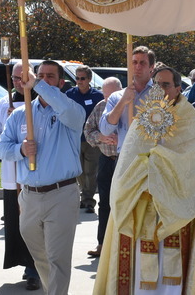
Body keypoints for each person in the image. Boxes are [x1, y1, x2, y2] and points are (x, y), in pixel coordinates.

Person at [93, 66, 195, 294]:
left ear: (179, 88)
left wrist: (160, 164)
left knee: (173, 266)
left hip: (177, 208)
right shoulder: (143, 118)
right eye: (156, 85)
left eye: (166, 85)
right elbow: (129, 158)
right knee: (142, 264)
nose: (160, 90)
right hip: (142, 203)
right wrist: (143, 174)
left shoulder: (190, 120)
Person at [0, 60, 86, 295]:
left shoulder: (71, 111)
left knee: (57, 258)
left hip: (61, 194)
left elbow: (69, 114)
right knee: (40, 258)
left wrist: (37, 85)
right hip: (29, 196)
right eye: (40, 76)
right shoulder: (19, 114)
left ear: (61, 82)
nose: (44, 80)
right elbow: (1, 149)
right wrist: (21, 150)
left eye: (50, 77)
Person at [0, 64, 40, 290]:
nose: (18, 82)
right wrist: (9, 141)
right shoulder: (3, 104)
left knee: (36, 224)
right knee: (18, 223)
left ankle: (37, 266)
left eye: (22, 77)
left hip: (38, 174)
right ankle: (27, 264)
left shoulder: (41, 102)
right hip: (13, 173)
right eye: (15, 78)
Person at [84, 77, 123, 259]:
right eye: (105, 95)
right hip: (107, 159)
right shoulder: (100, 106)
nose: (108, 100)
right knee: (105, 203)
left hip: (126, 161)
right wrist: (100, 137)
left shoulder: (128, 105)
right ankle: (102, 244)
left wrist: (121, 140)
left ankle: (122, 245)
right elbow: (87, 131)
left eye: (112, 96)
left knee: (124, 203)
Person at [101, 46, 158, 152]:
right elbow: (105, 130)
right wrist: (123, 101)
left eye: (142, 63)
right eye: (134, 62)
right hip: (125, 156)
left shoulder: (159, 96)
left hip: (151, 156)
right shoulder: (116, 97)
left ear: (152, 67)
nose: (138, 66)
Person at [66, 65, 104, 214]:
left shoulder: (97, 96)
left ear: (89, 79)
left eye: (82, 78)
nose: (79, 81)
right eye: (77, 78)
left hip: (92, 140)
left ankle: (88, 201)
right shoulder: (70, 94)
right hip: (75, 139)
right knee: (79, 171)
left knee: (91, 171)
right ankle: (84, 194)